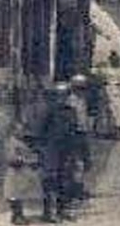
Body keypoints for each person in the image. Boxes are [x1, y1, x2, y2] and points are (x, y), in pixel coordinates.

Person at [36, 82, 87, 223]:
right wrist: (41, 149)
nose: (62, 98)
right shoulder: (48, 111)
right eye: (59, 95)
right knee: (50, 180)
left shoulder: (71, 111)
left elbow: (75, 130)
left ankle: (61, 210)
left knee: (65, 180)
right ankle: (47, 212)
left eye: (65, 95)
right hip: (51, 150)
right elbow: (40, 131)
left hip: (67, 150)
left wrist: (76, 149)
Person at [4, 122, 39, 225]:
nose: (21, 132)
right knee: (14, 196)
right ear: (13, 131)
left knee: (19, 195)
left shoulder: (19, 142)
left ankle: (19, 215)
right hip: (15, 173)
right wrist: (25, 160)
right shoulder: (12, 142)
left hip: (21, 173)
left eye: (22, 130)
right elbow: (11, 158)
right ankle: (16, 217)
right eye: (18, 130)